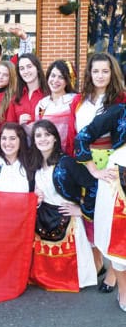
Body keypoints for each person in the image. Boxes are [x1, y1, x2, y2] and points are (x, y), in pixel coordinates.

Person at [66, 52, 126, 290]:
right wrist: (88, 167)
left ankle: (113, 272)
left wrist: (102, 168)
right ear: (89, 73)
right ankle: (97, 262)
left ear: (112, 73)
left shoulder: (120, 100)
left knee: (111, 220)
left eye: (105, 71)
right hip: (85, 159)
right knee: (91, 215)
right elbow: (76, 133)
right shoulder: (80, 100)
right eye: (95, 71)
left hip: (111, 162)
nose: (100, 75)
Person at [29, 120, 97, 292]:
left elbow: (92, 185)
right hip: (43, 219)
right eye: (38, 135)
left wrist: (82, 210)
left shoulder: (66, 162)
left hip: (67, 218)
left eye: (47, 134)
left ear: (55, 139)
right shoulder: (34, 164)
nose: (42, 139)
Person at [74, 103, 126, 312]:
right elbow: (83, 137)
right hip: (119, 183)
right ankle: (123, 291)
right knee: (119, 244)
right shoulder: (119, 111)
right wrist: (93, 170)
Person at [35, 60, 77, 151]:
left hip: (70, 153)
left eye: (61, 77)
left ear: (67, 81)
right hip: (47, 153)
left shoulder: (74, 101)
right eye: (53, 76)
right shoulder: (42, 104)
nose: (55, 80)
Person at [0, 122, 33, 192]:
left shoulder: (31, 165)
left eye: (12, 138)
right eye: (4, 138)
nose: (7, 143)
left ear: (21, 140)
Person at [7, 53, 49, 135]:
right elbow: (9, 127)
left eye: (29, 67)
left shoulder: (48, 95)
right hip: (22, 145)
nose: (25, 71)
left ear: (37, 68)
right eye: (22, 68)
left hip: (44, 144)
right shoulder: (16, 98)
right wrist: (19, 124)